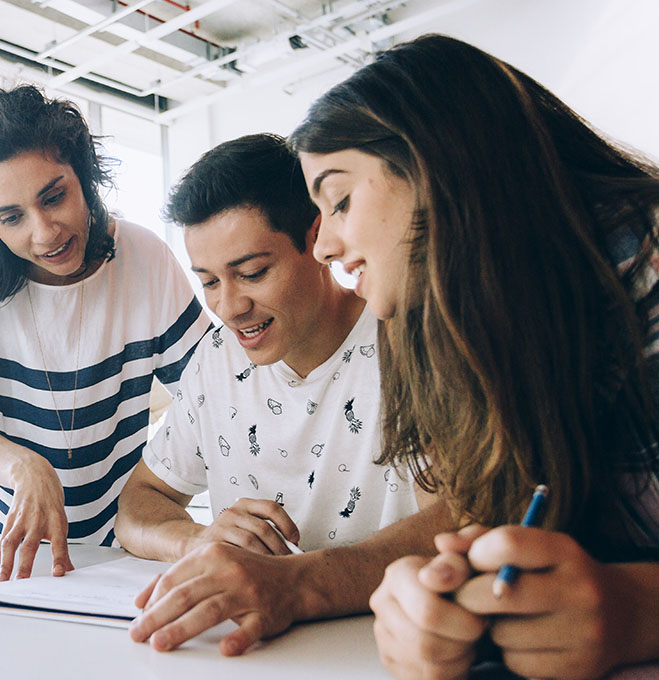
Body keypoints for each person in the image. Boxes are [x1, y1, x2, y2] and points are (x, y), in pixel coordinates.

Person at [290, 34, 659, 679]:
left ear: (439, 163)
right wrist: (442, 603)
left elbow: (621, 603)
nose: (324, 248)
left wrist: (643, 613)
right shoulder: (462, 339)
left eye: (340, 199)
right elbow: (482, 523)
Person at [116, 133, 448, 656]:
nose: (229, 307)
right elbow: (139, 503)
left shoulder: (409, 339)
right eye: (208, 281)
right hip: (251, 655)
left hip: (385, 652)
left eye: (252, 273)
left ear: (317, 237)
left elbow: (464, 515)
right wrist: (197, 540)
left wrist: (297, 582)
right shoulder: (214, 361)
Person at [0, 84, 210, 581]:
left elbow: (216, 394)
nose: (44, 232)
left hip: (111, 528)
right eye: (11, 218)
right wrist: (23, 466)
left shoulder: (144, 258)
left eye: (54, 197)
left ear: (85, 176)